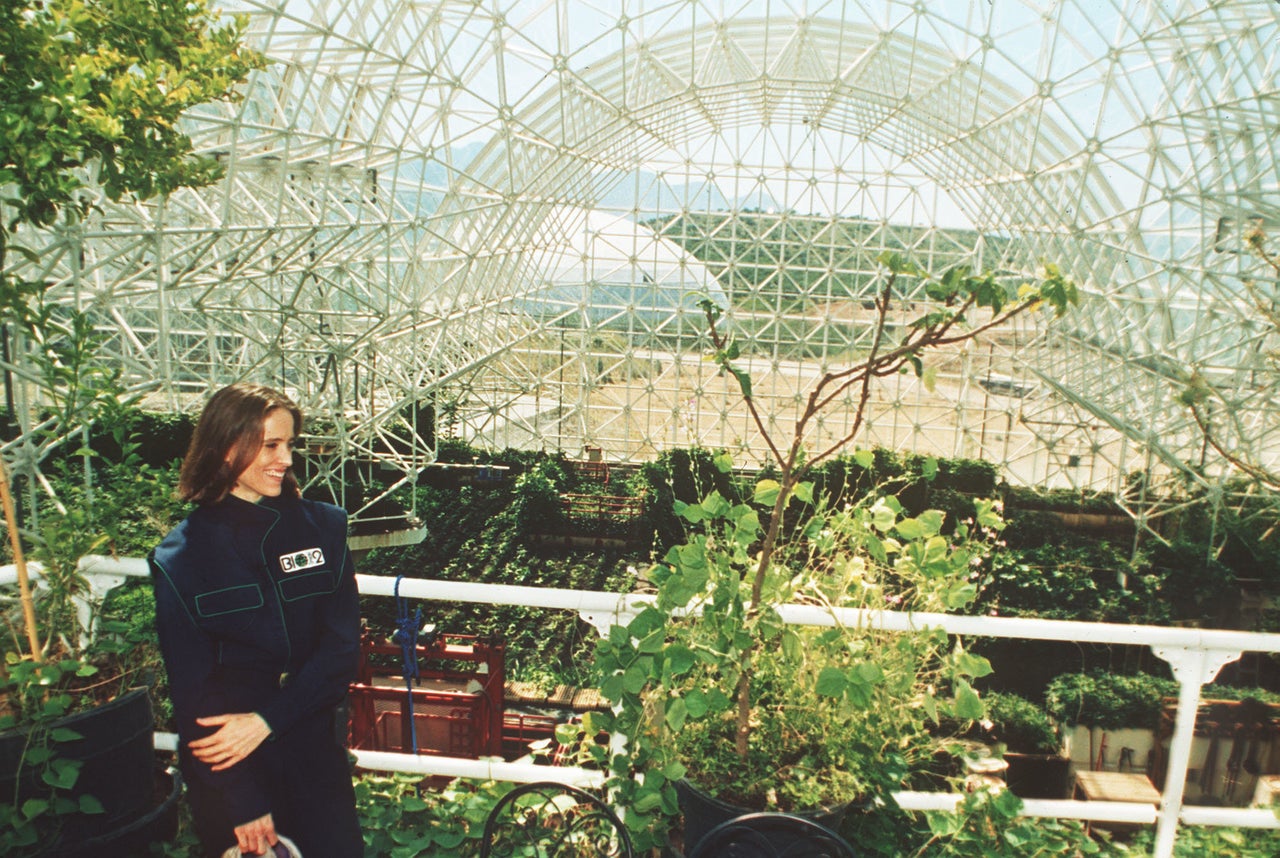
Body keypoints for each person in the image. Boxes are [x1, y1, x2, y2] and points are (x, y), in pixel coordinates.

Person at [150, 383, 363, 857]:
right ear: (226, 447)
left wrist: (269, 719)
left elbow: (341, 649)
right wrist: (243, 803)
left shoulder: (324, 527)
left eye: (289, 444)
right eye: (270, 445)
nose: (285, 459)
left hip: (312, 752)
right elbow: (194, 696)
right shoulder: (181, 557)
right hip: (235, 776)